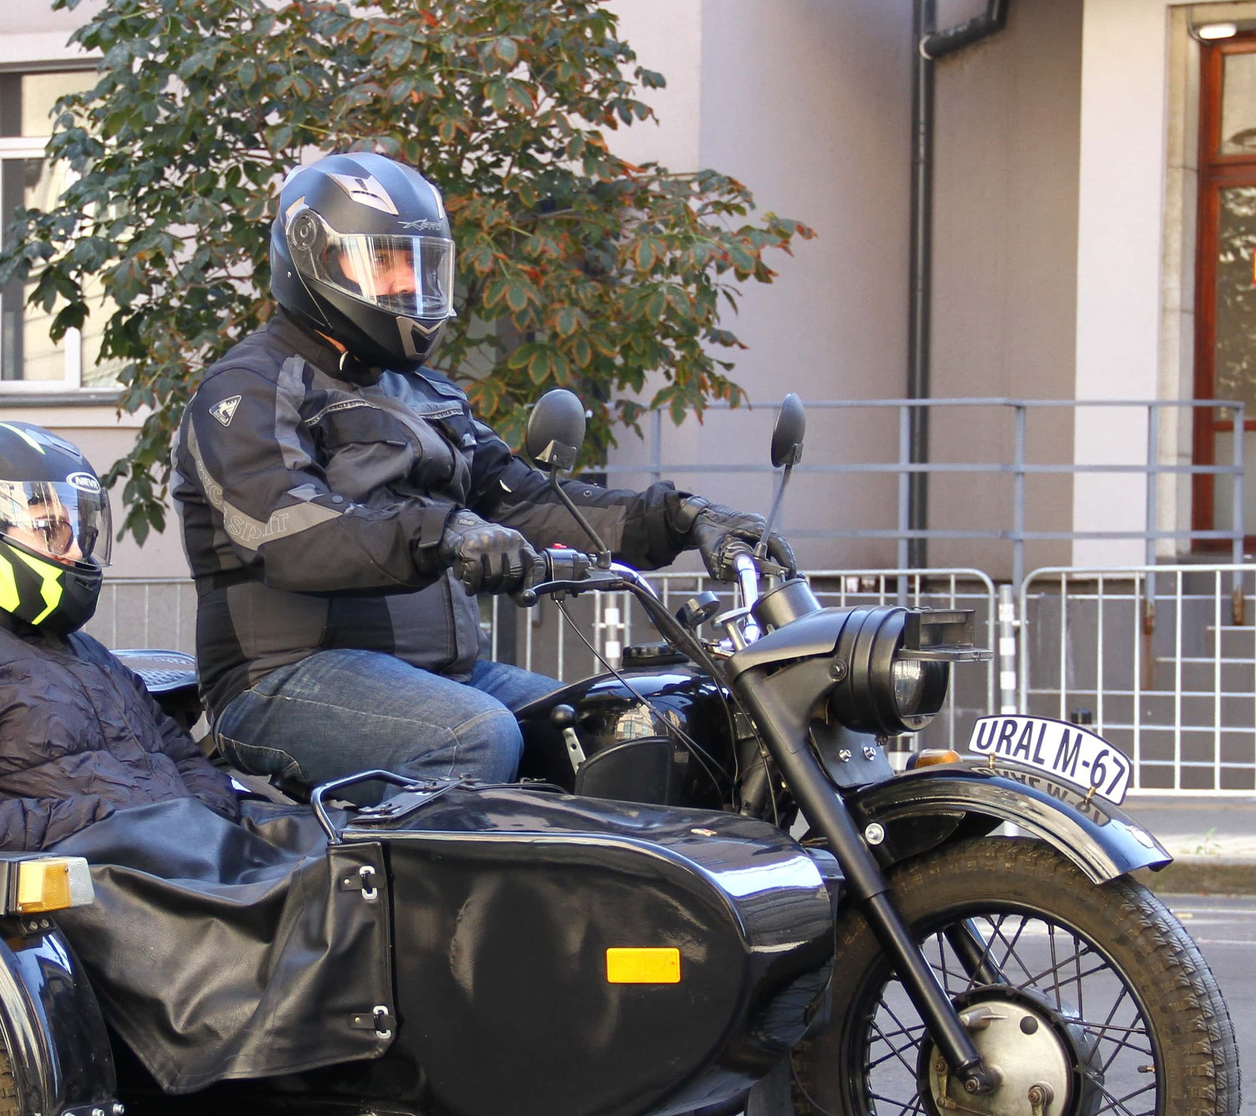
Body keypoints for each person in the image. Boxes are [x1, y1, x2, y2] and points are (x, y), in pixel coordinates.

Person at [175, 150, 795, 790]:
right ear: (311, 255)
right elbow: (288, 530)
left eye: (419, 264)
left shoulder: (424, 391)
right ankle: (435, 894)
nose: (406, 286)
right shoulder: (248, 389)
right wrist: (442, 531)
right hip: (284, 679)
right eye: (384, 262)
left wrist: (682, 519)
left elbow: (522, 501)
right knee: (472, 736)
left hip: (442, 677)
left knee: (631, 726)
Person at [0, 421, 241, 850]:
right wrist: (115, 822)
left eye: (81, 529)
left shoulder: (86, 652)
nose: (77, 551)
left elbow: (186, 760)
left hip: (196, 861)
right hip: (107, 890)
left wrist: (203, 818)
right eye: (50, 527)